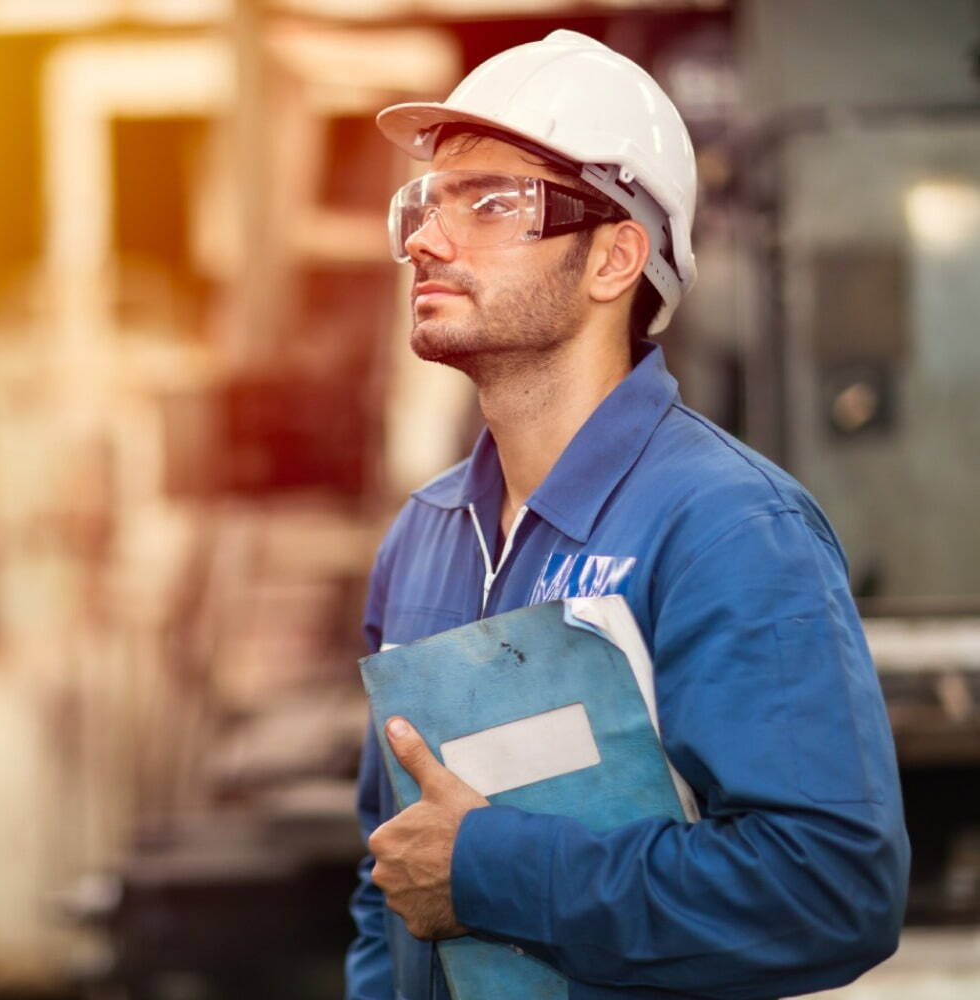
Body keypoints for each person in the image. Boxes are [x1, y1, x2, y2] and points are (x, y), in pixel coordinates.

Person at [346, 29, 909, 1000]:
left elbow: (830, 889)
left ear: (615, 258)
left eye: (490, 203)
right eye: (427, 205)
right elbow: (388, 873)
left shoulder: (727, 528)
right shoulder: (425, 536)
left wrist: (490, 871)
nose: (429, 241)